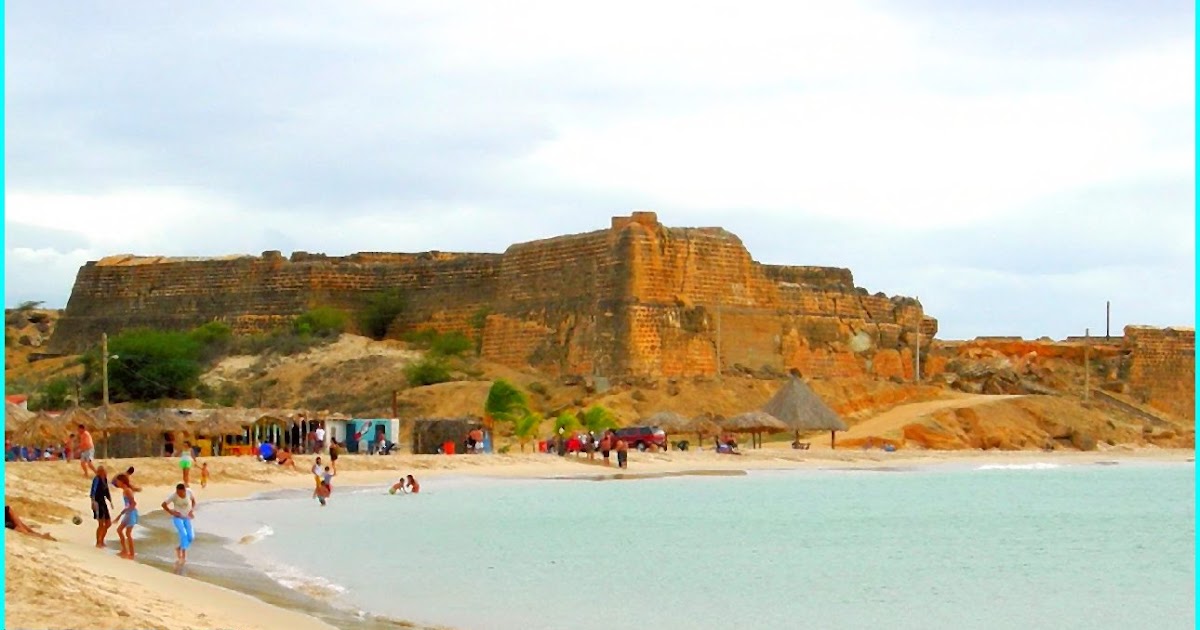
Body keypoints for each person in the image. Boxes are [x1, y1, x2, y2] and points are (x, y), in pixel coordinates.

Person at [161, 483, 196, 565]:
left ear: (184, 491)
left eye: (180, 493)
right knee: (183, 534)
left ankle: (179, 548)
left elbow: (193, 501)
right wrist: (171, 512)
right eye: (177, 492)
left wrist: (191, 510)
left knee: (190, 537)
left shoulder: (189, 492)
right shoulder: (173, 496)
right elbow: (163, 504)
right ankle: (183, 556)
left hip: (186, 517)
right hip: (178, 517)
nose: (178, 494)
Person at [113, 473, 138, 559]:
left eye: (117, 481)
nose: (116, 483)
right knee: (119, 530)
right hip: (128, 512)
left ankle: (132, 553)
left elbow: (133, 503)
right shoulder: (125, 490)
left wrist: (123, 514)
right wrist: (121, 514)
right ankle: (125, 550)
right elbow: (128, 505)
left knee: (128, 533)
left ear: (121, 481)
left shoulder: (127, 490)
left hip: (131, 513)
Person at [89, 466, 114, 549]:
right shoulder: (97, 479)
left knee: (108, 523)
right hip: (97, 502)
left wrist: (110, 501)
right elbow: (93, 491)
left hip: (103, 502)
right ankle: (98, 542)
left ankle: (102, 540)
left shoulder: (105, 479)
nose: (105, 473)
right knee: (101, 523)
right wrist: (92, 502)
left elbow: (107, 491)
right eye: (103, 472)